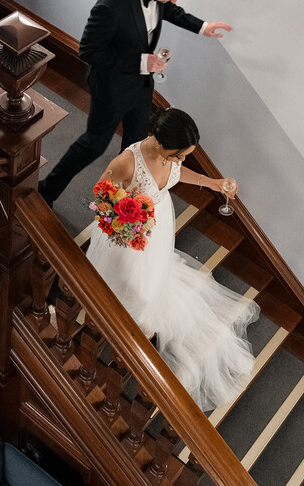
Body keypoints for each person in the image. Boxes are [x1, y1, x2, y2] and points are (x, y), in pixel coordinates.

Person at [86, 108, 259, 411]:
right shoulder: (128, 162)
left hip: (159, 223)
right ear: (162, 143)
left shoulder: (170, 159)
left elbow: (179, 174)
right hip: (131, 232)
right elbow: (101, 197)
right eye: (178, 155)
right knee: (131, 284)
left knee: (153, 277)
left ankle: (138, 308)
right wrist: (128, 221)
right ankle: (113, 315)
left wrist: (214, 183)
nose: (180, 162)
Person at [38, 0, 232, 208]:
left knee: (136, 143)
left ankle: (122, 201)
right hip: (111, 87)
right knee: (93, 144)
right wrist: (143, 62)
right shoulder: (110, 5)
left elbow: (167, 9)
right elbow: (89, 51)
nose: (173, 2)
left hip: (141, 85)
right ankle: (46, 191)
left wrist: (201, 26)